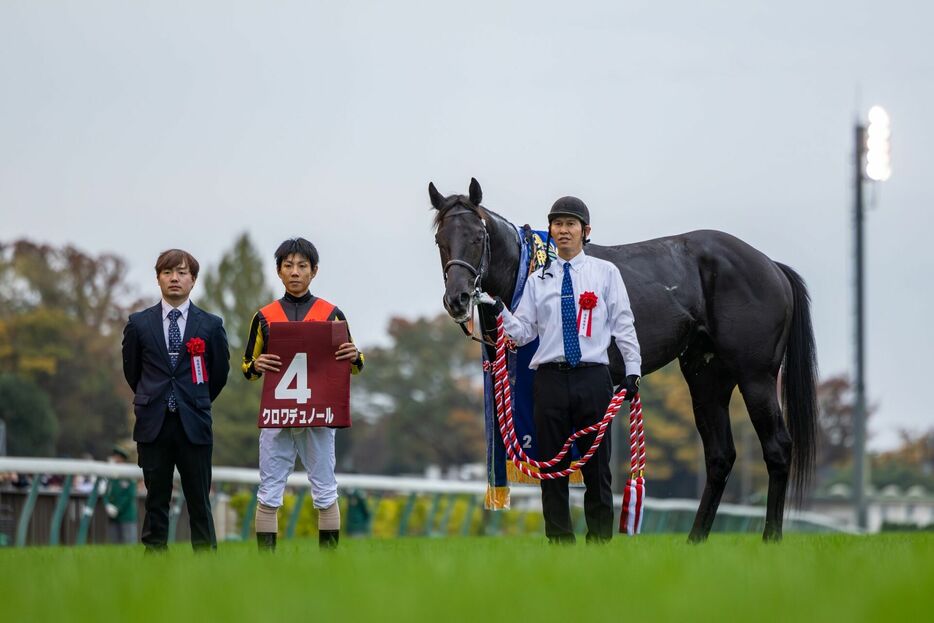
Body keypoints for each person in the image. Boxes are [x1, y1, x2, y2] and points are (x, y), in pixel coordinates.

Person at [478, 197, 641, 544]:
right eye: (557, 224)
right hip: (549, 381)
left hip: (594, 378)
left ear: (585, 231)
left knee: (597, 468)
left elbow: (623, 325)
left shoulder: (605, 273)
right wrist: (499, 311)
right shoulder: (538, 281)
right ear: (550, 231)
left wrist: (633, 370)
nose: (563, 230)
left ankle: (599, 542)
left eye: (570, 224)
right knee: (552, 469)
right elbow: (523, 333)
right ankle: (559, 543)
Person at [242, 238, 364, 551]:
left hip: (318, 414)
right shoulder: (264, 316)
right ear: (279, 271)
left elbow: (354, 365)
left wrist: (354, 355)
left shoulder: (331, 313)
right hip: (278, 414)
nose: (295, 272)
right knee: (269, 490)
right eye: (288, 266)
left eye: (302, 266)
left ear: (314, 271)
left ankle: (329, 562)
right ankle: (265, 565)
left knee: (325, 489)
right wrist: (257, 364)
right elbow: (246, 367)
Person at [122, 249, 230, 552]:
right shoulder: (139, 324)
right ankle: (154, 557)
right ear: (158, 278)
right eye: (168, 272)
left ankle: (206, 560)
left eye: (182, 272)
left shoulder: (210, 325)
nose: (174, 278)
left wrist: (195, 400)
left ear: (193, 280)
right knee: (156, 499)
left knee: (199, 498)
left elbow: (218, 374)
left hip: (194, 423)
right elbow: (133, 372)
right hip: (153, 423)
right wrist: (153, 397)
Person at [104, 446, 138, 544]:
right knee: (114, 544)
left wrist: (118, 508)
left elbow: (130, 495)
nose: (114, 459)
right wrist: (107, 505)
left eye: (117, 457)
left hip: (126, 516)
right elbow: (105, 492)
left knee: (128, 543)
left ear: (122, 459)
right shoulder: (111, 476)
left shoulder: (128, 475)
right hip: (113, 517)